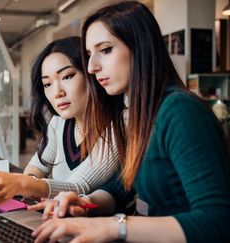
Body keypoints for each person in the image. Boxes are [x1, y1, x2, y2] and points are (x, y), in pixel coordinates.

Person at [31, 2, 230, 242]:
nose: (92, 68)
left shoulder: (179, 111)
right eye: (88, 55)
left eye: (105, 50)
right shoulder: (135, 113)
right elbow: (122, 186)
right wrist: (87, 203)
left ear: (140, 47)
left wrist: (115, 226)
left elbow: (218, 221)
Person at [0, 36, 118, 205]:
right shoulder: (58, 123)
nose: (57, 92)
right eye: (47, 84)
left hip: (94, 226)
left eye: (67, 76)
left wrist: (23, 184)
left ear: (91, 74)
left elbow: (78, 185)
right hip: (54, 218)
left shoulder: (118, 127)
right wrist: (25, 187)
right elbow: (38, 166)